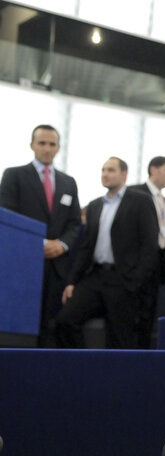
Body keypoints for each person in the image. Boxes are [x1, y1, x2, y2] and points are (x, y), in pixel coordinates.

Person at [53, 157, 158, 348]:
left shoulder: (140, 201)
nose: (105, 174)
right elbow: (85, 248)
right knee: (65, 320)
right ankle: (84, 367)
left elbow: (149, 246)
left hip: (124, 279)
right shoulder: (95, 206)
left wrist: (135, 281)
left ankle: (116, 376)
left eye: (110, 170)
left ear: (124, 174)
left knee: (119, 337)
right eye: (103, 170)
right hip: (96, 276)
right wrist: (72, 281)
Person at [0, 124, 81, 346]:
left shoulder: (68, 182)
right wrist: (40, 243)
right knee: (20, 326)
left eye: (52, 144)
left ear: (58, 148)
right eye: (42, 143)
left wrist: (62, 244)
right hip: (23, 265)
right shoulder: (14, 175)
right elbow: (7, 217)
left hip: (57, 266)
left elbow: (74, 223)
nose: (47, 148)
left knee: (49, 326)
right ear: (32, 145)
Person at [128, 156, 165, 348]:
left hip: (156, 268)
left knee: (148, 320)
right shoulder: (133, 193)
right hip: (134, 268)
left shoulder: (163, 200)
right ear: (153, 170)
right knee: (131, 321)